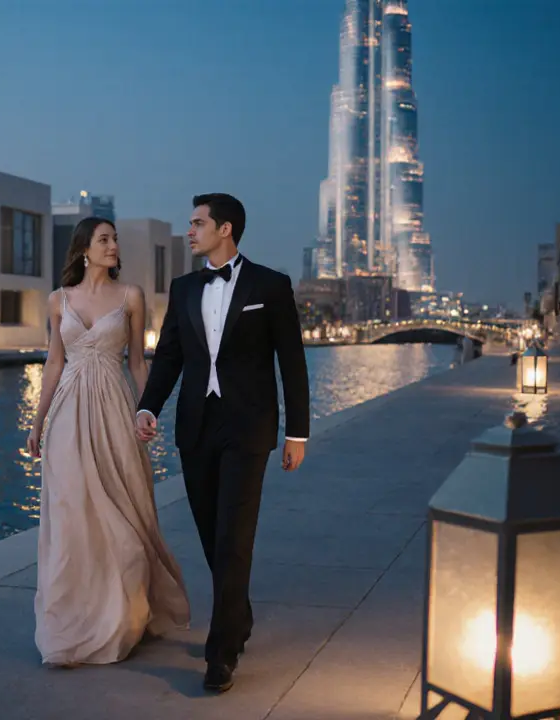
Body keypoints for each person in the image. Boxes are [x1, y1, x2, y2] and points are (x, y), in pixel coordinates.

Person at [135, 193, 310, 693]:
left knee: (235, 536)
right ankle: (241, 615)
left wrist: (297, 432)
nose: (189, 231)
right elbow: (168, 357)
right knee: (213, 534)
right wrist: (148, 407)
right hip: (195, 426)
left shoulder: (270, 286)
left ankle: (222, 651)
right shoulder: (184, 287)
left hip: (248, 430)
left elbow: (292, 362)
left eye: (197, 223)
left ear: (225, 229)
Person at [25, 216, 191, 668]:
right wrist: (38, 422)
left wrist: (148, 410)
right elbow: (53, 363)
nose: (114, 245)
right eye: (105, 239)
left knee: (126, 511)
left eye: (115, 238)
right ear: (84, 249)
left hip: (115, 411)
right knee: (71, 513)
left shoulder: (131, 296)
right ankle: (69, 624)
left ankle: (123, 615)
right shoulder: (58, 301)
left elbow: (138, 363)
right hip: (66, 415)